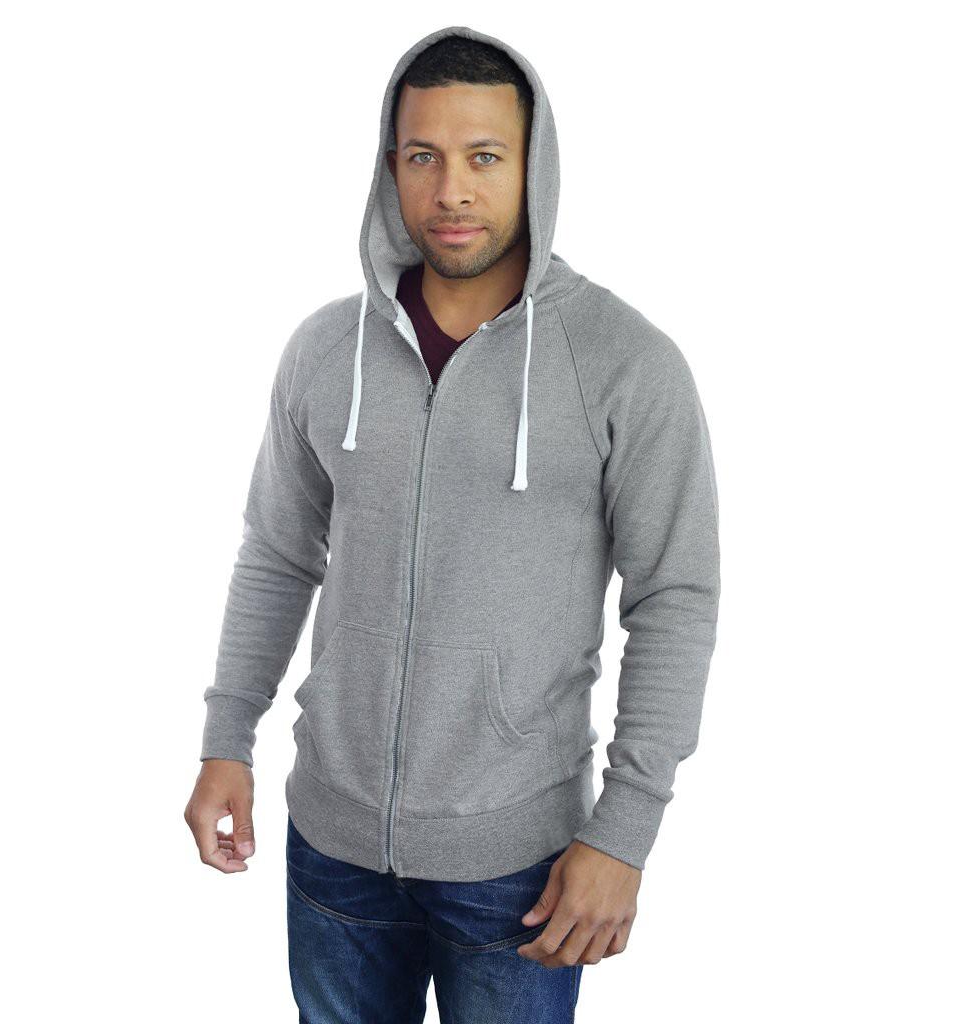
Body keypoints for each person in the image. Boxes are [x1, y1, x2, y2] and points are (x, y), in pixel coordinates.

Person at [184, 24, 721, 1023]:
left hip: (518, 866)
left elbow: (675, 598)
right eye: (423, 156)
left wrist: (623, 832)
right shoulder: (325, 351)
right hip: (332, 847)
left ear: (532, 166)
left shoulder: (623, 362)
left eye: (484, 157)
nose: (451, 191)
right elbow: (277, 556)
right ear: (390, 167)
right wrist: (227, 738)